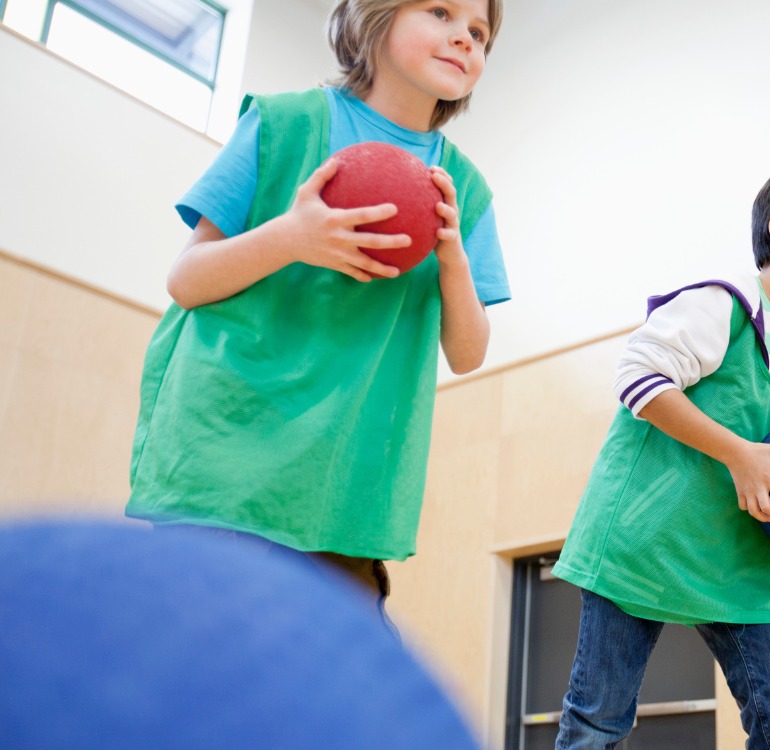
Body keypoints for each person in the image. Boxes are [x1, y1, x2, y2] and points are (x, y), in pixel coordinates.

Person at [125, 0, 510, 629]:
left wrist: (453, 261)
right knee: (195, 687)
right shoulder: (284, 123)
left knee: (321, 706)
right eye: (440, 12)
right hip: (227, 463)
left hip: (343, 489)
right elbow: (186, 281)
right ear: (374, 17)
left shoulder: (464, 189)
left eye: (478, 33)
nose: (463, 39)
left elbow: (468, 355)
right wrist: (291, 238)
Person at [551, 163, 770, 749]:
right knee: (599, 718)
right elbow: (637, 376)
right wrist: (737, 454)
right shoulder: (721, 305)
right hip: (648, 539)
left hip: (742, 561)